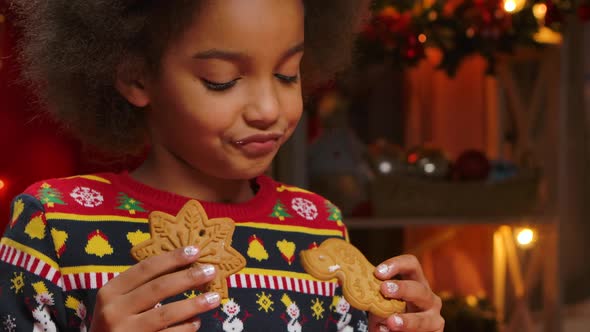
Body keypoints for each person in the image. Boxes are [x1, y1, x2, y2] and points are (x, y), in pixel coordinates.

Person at [0, 0, 444, 331]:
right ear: (137, 76)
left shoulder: (319, 226)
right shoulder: (56, 224)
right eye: (222, 80)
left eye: (289, 74)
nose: (269, 108)